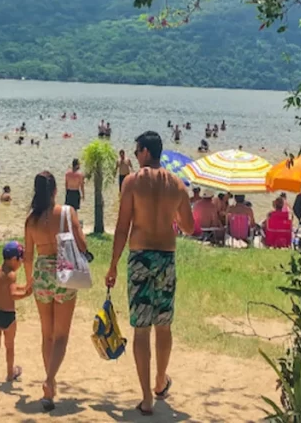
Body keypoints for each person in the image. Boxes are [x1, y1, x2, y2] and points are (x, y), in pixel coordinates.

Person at [106, 131, 194, 416]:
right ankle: (160, 381)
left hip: (141, 257)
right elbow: (190, 227)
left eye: (136, 151)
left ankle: (146, 397)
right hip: (166, 258)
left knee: (141, 328)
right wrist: (173, 216)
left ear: (145, 152)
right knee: (164, 324)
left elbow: (122, 227)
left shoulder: (132, 182)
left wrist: (113, 265)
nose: (134, 156)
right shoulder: (177, 185)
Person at [24, 171, 88, 411]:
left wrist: (30, 280)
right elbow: (82, 243)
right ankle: (49, 381)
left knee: (46, 334)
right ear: (54, 191)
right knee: (61, 335)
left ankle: (50, 387)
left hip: (41, 273)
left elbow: (28, 255)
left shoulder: (31, 220)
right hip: (64, 272)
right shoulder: (67, 212)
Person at [0, 241, 29, 389]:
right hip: (8, 316)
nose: (22, 262)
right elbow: (12, 294)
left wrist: (25, 286)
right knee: (9, 346)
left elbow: (7, 288)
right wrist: (26, 293)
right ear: (13, 259)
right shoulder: (12, 275)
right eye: (20, 259)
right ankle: (10, 373)